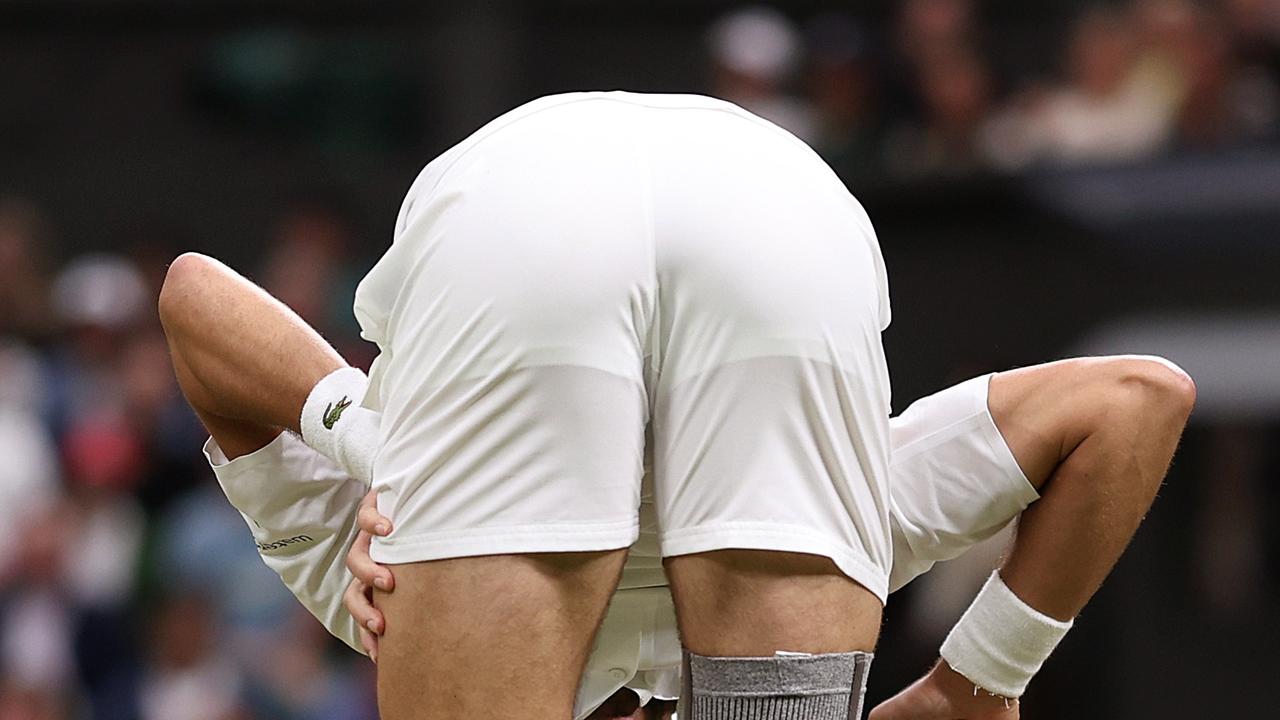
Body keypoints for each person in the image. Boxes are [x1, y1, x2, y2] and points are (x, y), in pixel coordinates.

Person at [159, 92, 1195, 719]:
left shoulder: (374, 590)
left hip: (559, 205)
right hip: (765, 202)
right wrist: (975, 679)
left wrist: (372, 441)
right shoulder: (862, 515)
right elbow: (1133, 400)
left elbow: (192, 298)